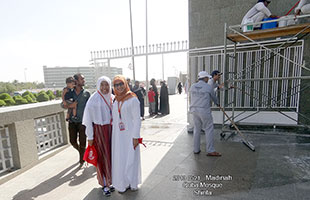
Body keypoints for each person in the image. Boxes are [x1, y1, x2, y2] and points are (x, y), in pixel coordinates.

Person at [82, 76, 114, 197]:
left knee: (111, 157)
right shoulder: (93, 99)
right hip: (99, 132)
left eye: (107, 85)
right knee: (102, 158)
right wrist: (90, 137)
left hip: (111, 131)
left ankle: (110, 182)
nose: (105, 88)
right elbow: (88, 120)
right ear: (98, 86)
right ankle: (104, 184)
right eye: (102, 85)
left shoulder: (112, 98)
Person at [111, 75, 142, 193]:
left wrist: (136, 137)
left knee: (131, 158)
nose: (118, 87)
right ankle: (122, 183)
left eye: (121, 84)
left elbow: (137, 119)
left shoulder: (133, 99)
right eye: (116, 85)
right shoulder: (116, 100)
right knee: (120, 158)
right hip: (118, 136)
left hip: (130, 135)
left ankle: (132, 182)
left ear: (125, 84)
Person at [189, 71, 221, 156]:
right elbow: (214, 97)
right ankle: (210, 150)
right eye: (207, 78)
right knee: (209, 128)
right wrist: (218, 104)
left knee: (197, 129)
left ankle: (196, 149)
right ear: (205, 78)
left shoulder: (192, 86)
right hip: (204, 111)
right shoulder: (208, 87)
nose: (208, 79)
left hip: (194, 110)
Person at [64, 73, 90, 166]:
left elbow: (90, 107)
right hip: (72, 121)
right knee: (72, 141)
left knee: (83, 142)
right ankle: (82, 152)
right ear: (76, 81)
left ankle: (82, 159)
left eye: (83, 79)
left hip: (83, 122)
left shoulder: (87, 93)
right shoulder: (69, 92)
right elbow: (63, 105)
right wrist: (71, 105)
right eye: (82, 79)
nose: (84, 81)